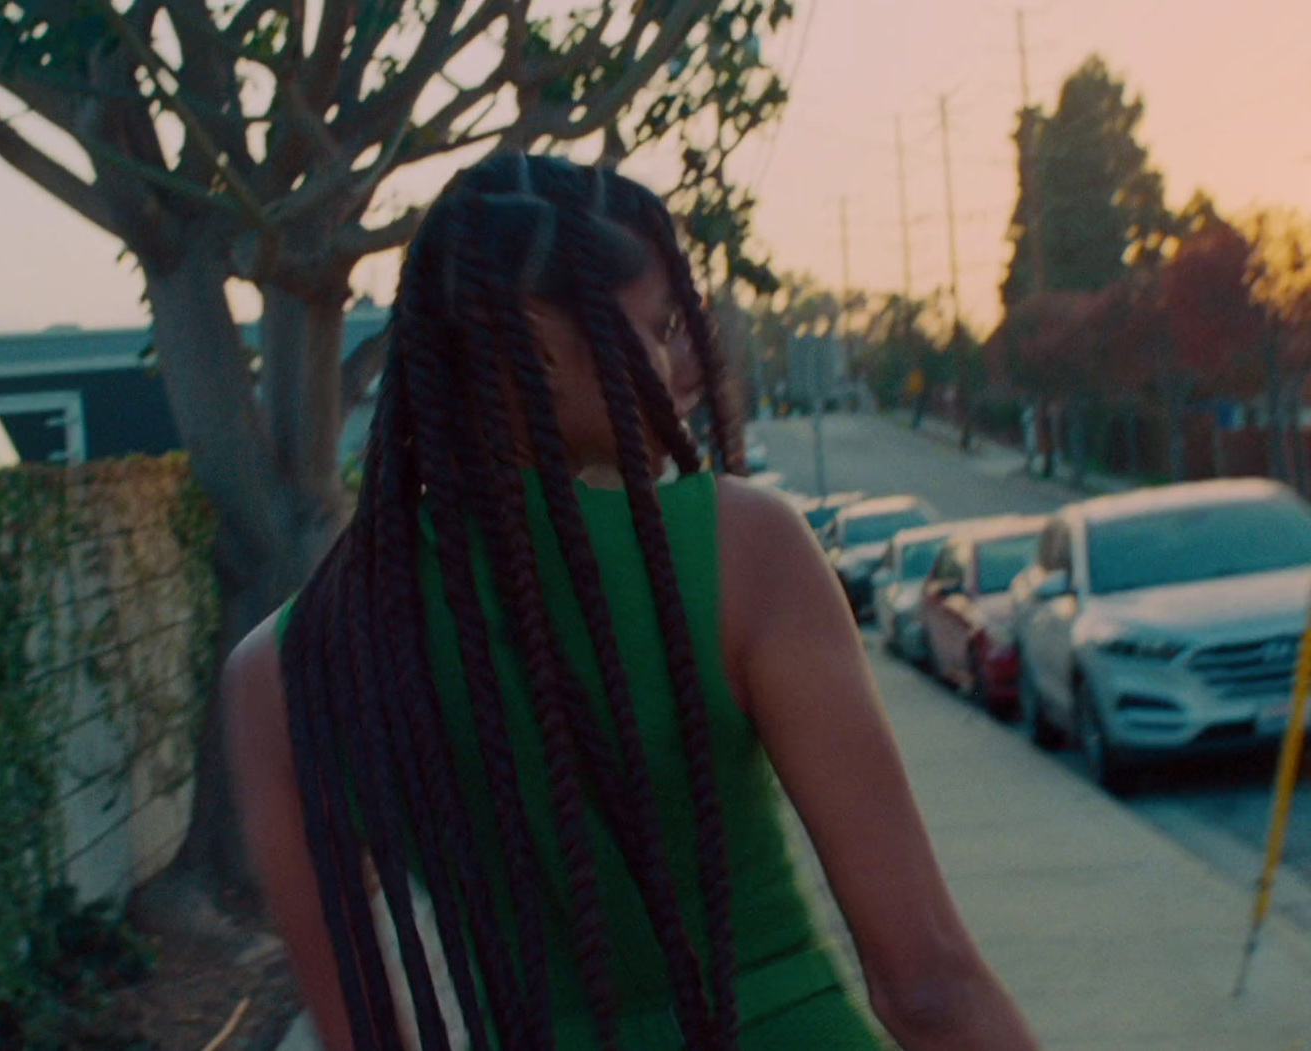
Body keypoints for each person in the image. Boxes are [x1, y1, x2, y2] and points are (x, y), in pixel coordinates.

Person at [224, 152, 1039, 1051]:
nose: (690, 366)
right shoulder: (743, 549)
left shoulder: (285, 667)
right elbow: (927, 985)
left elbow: (364, 1037)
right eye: (656, 329)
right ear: (532, 340)